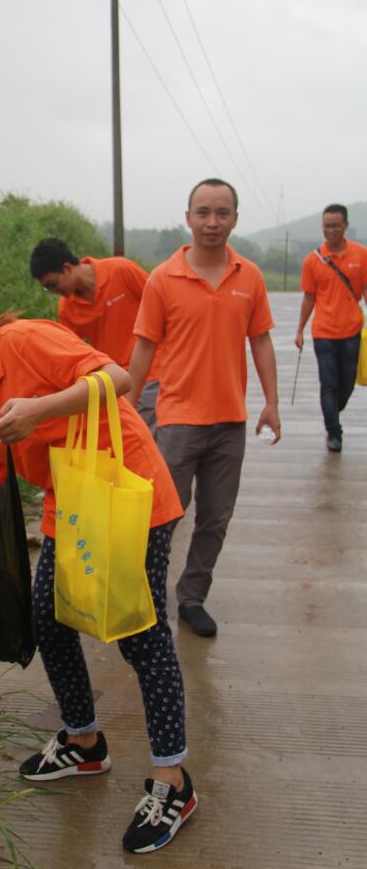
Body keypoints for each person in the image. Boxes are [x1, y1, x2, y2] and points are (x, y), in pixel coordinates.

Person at [0, 275, 197, 854]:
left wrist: (39, 408)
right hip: (71, 501)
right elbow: (4, 469)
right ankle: (84, 743)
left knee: (141, 638)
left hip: (127, 495)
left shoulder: (24, 341)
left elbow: (120, 379)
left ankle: (174, 782)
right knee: (48, 618)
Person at [127, 178, 281, 638]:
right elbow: (143, 347)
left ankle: (191, 597)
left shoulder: (249, 276)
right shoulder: (163, 278)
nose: (212, 222)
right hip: (176, 420)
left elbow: (262, 340)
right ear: (188, 216)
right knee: (163, 516)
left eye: (222, 213)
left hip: (230, 421)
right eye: (203, 212)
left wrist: (271, 402)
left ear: (235, 217)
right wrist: (128, 406)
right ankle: (147, 599)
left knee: (215, 519)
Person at [30, 238, 161, 433]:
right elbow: (70, 355)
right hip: (116, 384)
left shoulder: (121, 270)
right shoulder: (67, 309)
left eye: (52, 284)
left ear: (66, 268)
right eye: (48, 288)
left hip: (154, 373)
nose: (53, 292)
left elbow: (162, 306)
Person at [295, 204, 367, 452]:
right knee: (329, 383)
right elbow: (309, 297)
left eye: (336, 225)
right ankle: (334, 433)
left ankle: (332, 411)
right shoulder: (312, 261)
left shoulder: (361, 255)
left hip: (352, 331)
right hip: (323, 332)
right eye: (327, 226)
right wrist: (300, 330)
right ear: (322, 227)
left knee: (346, 382)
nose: (331, 230)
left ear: (346, 225)